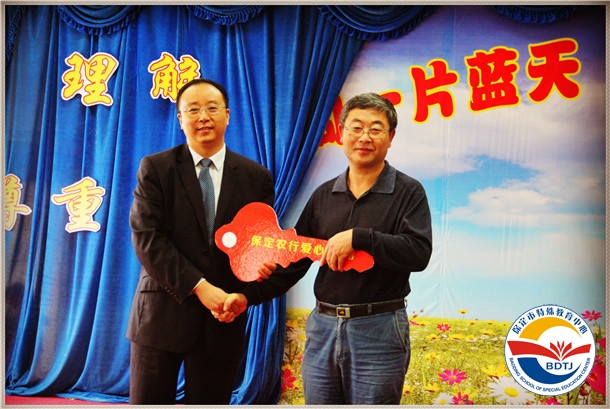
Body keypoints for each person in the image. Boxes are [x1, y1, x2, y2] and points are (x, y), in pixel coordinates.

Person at [227, 92, 433, 404]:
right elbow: (294, 260)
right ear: (341, 133)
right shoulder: (324, 195)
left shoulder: (409, 191)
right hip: (323, 327)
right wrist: (247, 296)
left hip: (378, 329)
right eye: (356, 127)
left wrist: (359, 237)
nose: (364, 137)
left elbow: (418, 253)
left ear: (390, 137)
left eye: (375, 129)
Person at [126, 78, 275, 404]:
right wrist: (200, 287)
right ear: (180, 119)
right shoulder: (156, 168)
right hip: (161, 314)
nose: (203, 117)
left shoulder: (256, 178)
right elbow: (148, 239)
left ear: (227, 115)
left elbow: (257, 244)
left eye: (211, 108)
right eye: (193, 110)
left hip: (222, 317)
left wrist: (258, 270)